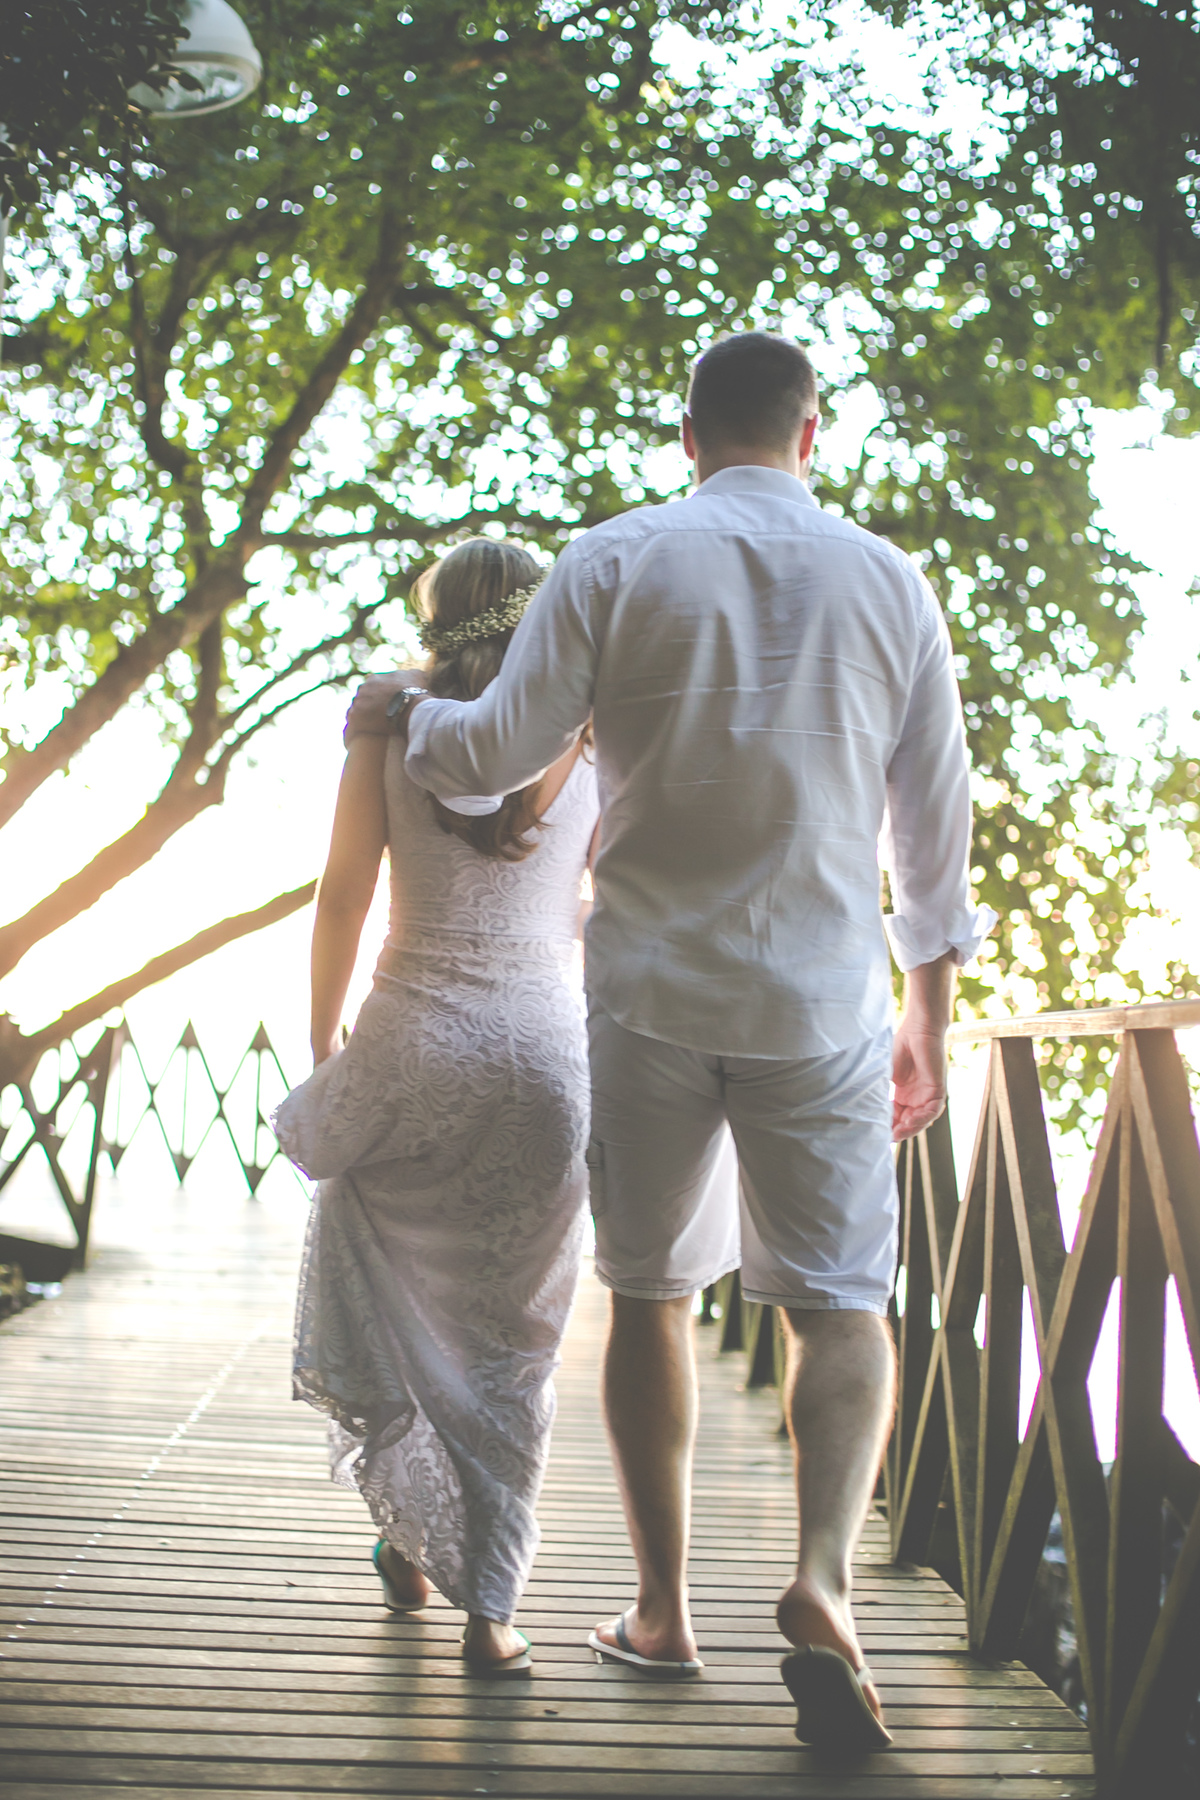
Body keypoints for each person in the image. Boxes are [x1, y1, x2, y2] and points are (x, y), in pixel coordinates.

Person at [345, 331, 994, 1748]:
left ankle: (663, 1614)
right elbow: (934, 825)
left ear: (687, 436)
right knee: (843, 1304)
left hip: (644, 994)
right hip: (822, 1000)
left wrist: (409, 723)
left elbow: (496, 752)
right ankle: (823, 1584)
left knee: (647, 1292)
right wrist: (930, 1013)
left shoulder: (614, 558)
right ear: (811, 437)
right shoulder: (892, 582)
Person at [275, 539, 599, 1676]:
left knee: (391, 1288)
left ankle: (405, 1536)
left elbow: (342, 893)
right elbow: (609, 900)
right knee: (515, 1343)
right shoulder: (592, 725)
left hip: (409, 1040)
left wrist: (324, 1039)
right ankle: (491, 1612)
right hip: (544, 1060)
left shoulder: (389, 718)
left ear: (439, 616)